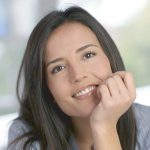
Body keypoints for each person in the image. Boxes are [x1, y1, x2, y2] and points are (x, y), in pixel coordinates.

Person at [7, 6, 150, 150]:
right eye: (58, 68)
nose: (78, 75)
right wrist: (104, 127)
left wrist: (104, 127)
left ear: (110, 58)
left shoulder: (147, 127)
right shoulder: (25, 135)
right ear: (46, 88)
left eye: (88, 55)